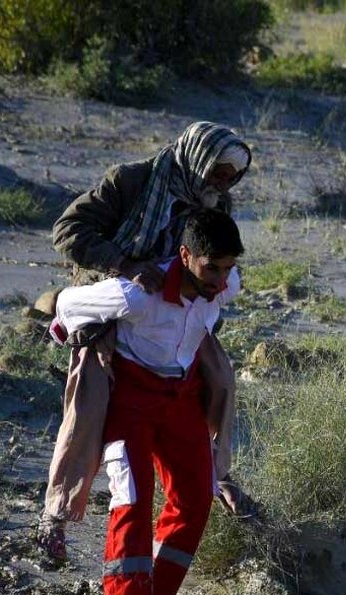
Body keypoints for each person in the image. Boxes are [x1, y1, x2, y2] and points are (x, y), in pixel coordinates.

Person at [38, 121, 256, 563]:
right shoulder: (132, 182)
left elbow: (213, 256)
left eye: (231, 177)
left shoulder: (214, 201)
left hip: (181, 311)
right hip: (116, 305)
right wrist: (126, 264)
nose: (222, 184)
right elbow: (68, 231)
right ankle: (55, 516)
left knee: (221, 383)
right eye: (218, 172)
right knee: (86, 411)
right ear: (197, 158)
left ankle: (219, 475)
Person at [49, 208, 243, 595]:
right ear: (185, 256)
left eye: (228, 268)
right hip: (129, 403)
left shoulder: (226, 287)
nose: (220, 280)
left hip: (182, 399)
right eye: (211, 267)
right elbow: (64, 307)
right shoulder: (136, 295)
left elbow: (206, 322)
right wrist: (80, 335)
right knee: (131, 501)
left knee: (196, 497)